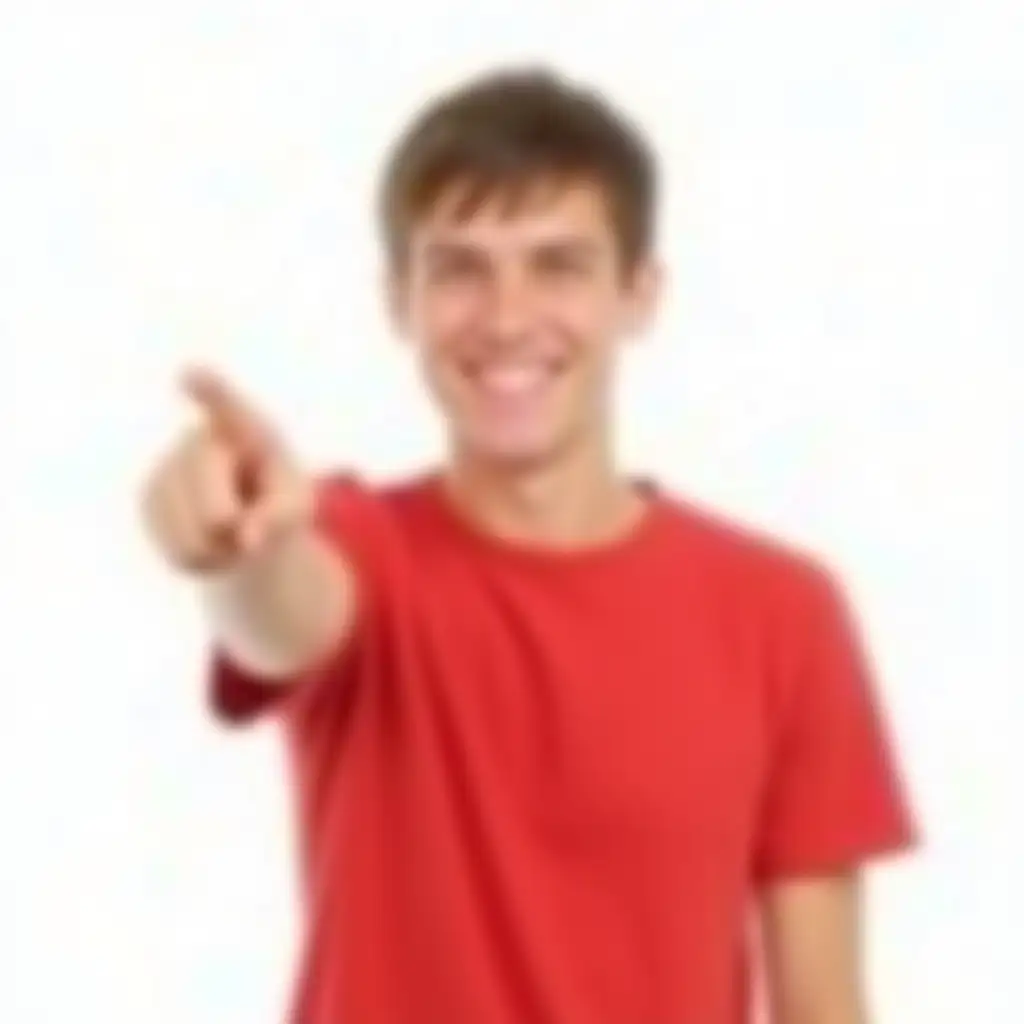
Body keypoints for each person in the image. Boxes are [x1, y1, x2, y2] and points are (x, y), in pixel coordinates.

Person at [140, 66, 916, 1024]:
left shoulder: (783, 610)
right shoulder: (357, 544)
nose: (507, 318)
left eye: (558, 265)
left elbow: (825, 1009)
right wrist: (237, 548)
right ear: (400, 303)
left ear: (639, 294)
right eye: (460, 268)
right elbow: (279, 616)